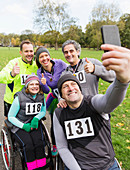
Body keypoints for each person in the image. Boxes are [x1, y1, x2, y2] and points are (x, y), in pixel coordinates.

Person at [53, 45, 130, 170]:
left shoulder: (91, 63)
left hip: (95, 109)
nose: (71, 88)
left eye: (73, 84)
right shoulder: (60, 112)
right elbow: (62, 147)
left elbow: (108, 100)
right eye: (65, 86)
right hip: (79, 164)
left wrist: (121, 81)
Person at [58, 40, 116, 108]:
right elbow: (60, 92)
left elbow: (113, 76)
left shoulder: (91, 62)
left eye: (71, 51)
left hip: (92, 107)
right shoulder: (65, 73)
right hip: (75, 111)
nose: (69, 54)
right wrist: (61, 99)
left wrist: (95, 69)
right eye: (66, 52)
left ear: (77, 51)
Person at [8, 74, 46, 170]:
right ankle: (31, 167)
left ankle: (41, 166)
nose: (34, 86)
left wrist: (36, 118)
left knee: (39, 143)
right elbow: (10, 116)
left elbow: (43, 111)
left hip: (34, 123)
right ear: (27, 86)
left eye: (37, 84)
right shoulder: (19, 98)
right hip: (20, 125)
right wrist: (23, 126)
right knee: (28, 145)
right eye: (31, 84)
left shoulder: (41, 97)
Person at [35, 46, 67, 156]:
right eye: (41, 57)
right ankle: (54, 145)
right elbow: (46, 91)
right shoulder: (40, 72)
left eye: (46, 55)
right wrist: (43, 84)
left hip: (67, 94)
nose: (44, 58)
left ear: (49, 56)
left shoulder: (60, 64)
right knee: (55, 122)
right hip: (54, 97)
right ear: (38, 60)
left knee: (68, 118)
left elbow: (71, 73)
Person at [0, 40, 38, 118]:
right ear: (21, 53)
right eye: (26, 51)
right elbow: (1, 76)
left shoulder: (36, 65)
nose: (29, 54)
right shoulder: (14, 63)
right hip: (12, 100)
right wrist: (12, 74)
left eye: (31, 51)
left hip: (30, 101)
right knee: (9, 124)